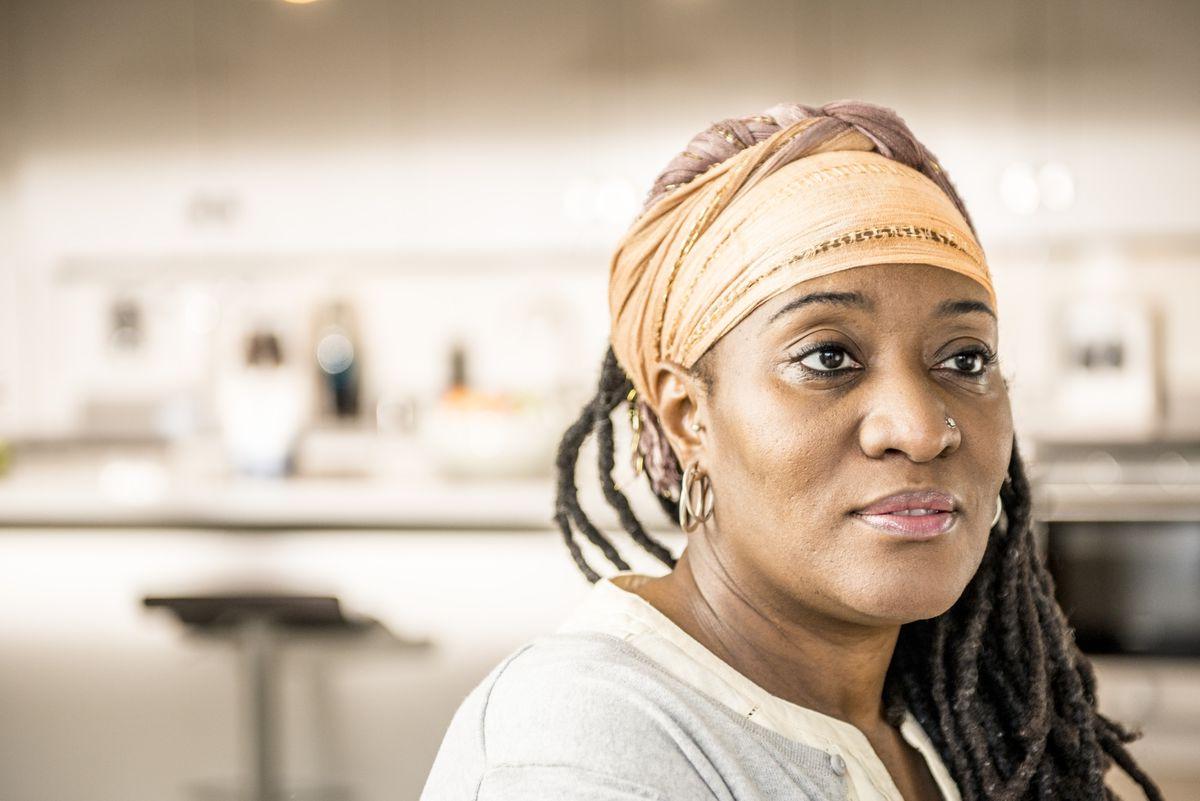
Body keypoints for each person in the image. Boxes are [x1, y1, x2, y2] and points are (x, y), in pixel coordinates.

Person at [419, 101, 1163, 801]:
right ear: (689, 417)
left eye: (965, 359)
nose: (922, 427)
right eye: (828, 357)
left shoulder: (946, 726)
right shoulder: (578, 744)